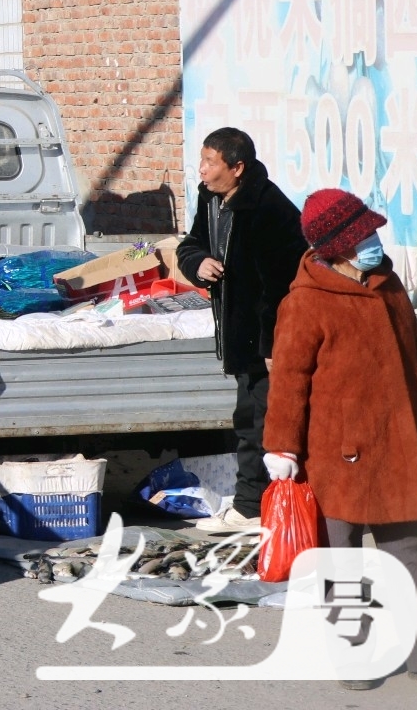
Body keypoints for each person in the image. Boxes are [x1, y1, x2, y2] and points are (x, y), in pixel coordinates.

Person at [264, 188, 417, 687]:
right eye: (364, 234)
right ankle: (354, 655)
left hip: (397, 443)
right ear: (339, 245)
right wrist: (282, 446)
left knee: (411, 552)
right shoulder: (305, 302)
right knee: (340, 561)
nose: (373, 241)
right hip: (335, 450)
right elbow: (289, 382)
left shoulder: (388, 284)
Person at [175, 126, 306, 530]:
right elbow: (190, 244)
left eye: (210, 162)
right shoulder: (211, 197)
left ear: (237, 168)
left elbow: (283, 288)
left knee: (260, 425)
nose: (201, 170)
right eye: (202, 159)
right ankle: (257, 505)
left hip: (265, 340)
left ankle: (253, 509)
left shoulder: (268, 210)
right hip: (239, 335)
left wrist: (272, 346)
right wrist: (197, 263)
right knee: (249, 420)